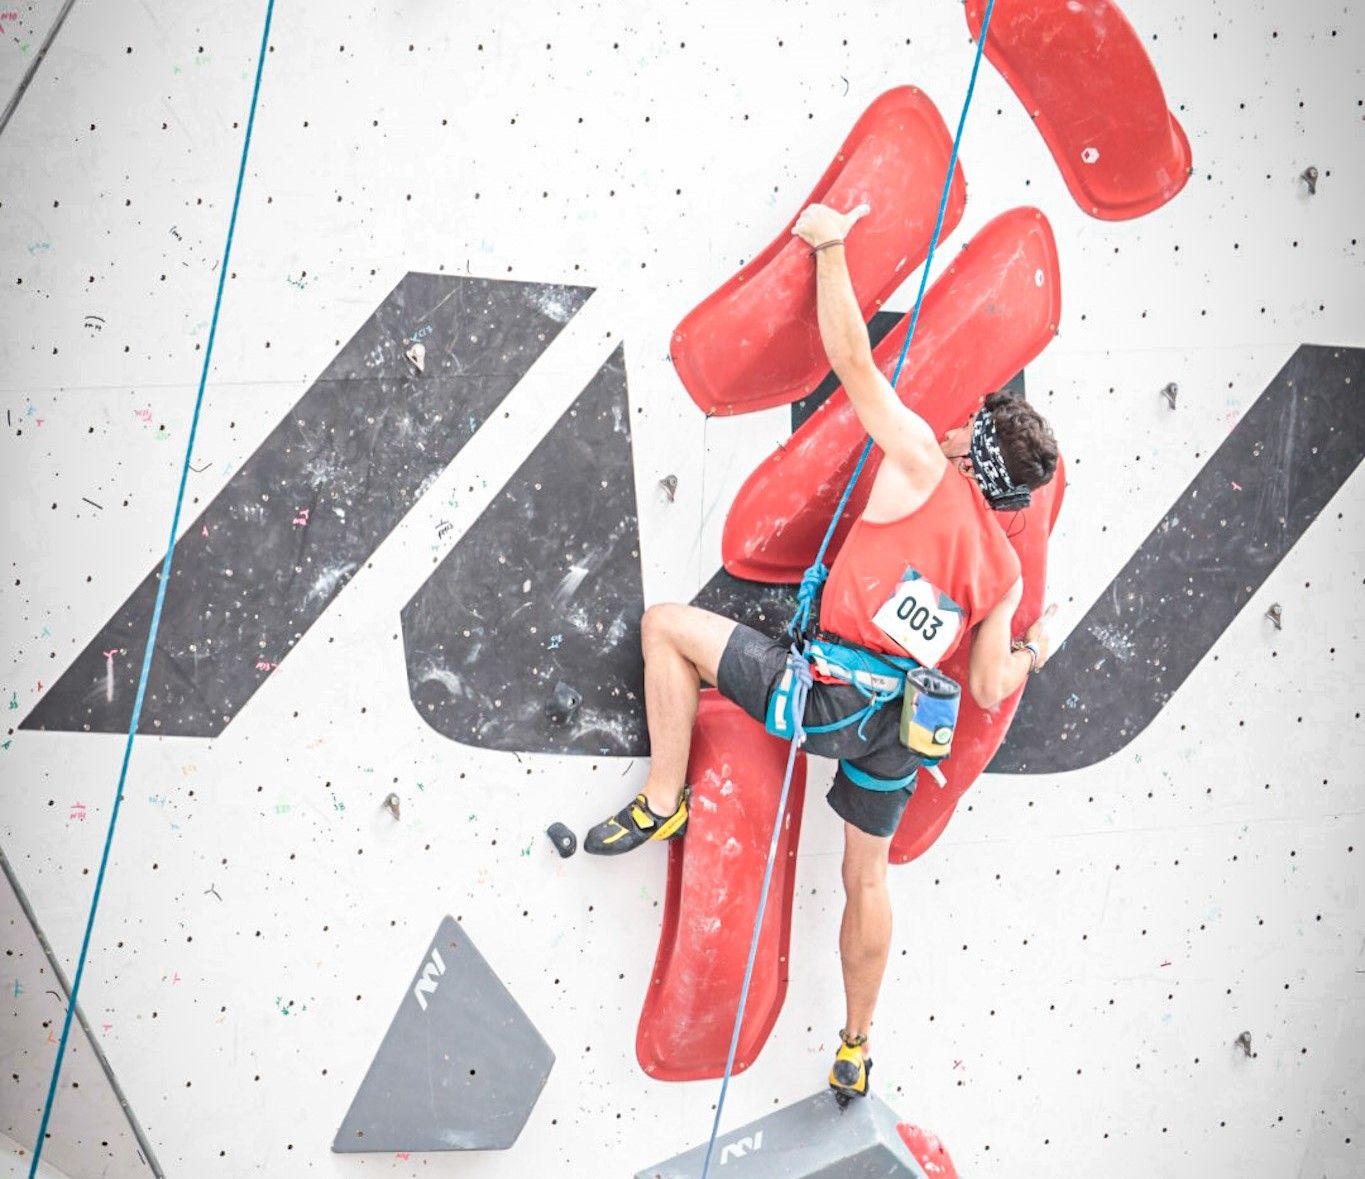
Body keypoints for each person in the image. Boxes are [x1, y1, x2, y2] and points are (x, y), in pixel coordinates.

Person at [584, 202, 1060, 1101]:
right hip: (896, 733)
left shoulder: (920, 458)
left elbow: (848, 359)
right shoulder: (999, 571)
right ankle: (854, 1042)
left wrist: (831, 243)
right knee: (864, 878)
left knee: (666, 627)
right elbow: (992, 681)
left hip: (827, 695)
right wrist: (1034, 646)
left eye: (973, 425)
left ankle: (660, 801)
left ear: (973, 445)